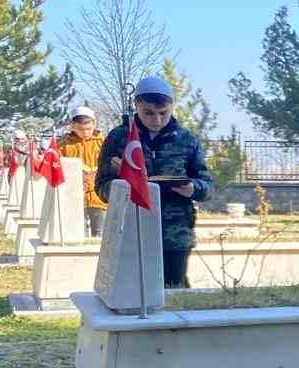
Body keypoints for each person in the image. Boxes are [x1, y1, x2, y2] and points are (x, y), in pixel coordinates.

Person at [94, 75, 213, 287]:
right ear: (136, 104)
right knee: (132, 292)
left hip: (175, 233)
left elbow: (208, 187)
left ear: (172, 107)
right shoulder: (120, 138)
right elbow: (101, 188)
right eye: (148, 113)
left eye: (163, 113)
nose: (156, 120)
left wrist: (192, 189)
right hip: (131, 231)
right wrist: (123, 187)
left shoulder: (187, 140)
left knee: (173, 292)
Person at [58, 105, 106, 236]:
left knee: (101, 234)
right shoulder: (63, 145)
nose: (85, 132)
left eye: (88, 129)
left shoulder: (103, 143)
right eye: (80, 129)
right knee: (78, 233)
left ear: (94, 124)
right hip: (75, 196)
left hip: (99, 196)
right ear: (72, 126)